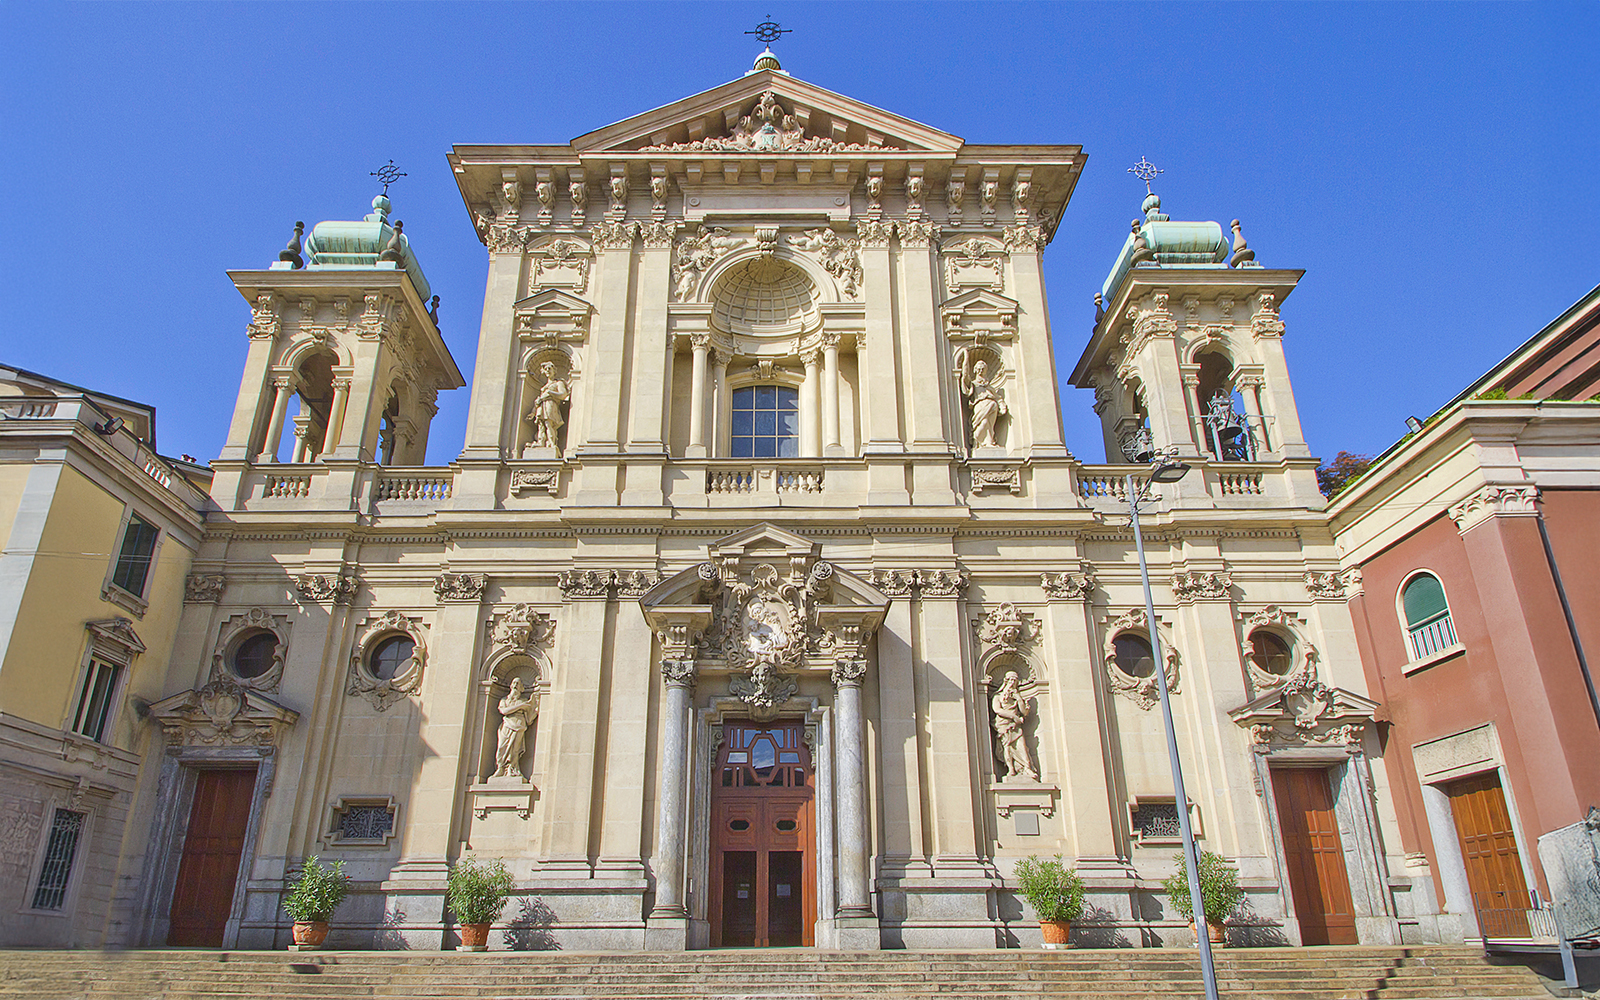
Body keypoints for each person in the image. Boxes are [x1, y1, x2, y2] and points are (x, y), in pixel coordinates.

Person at [991, 671, 1038, 781]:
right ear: (1006, 681)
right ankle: (1011, 769)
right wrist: (1013, 717)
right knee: (1007, 748)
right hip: (1003, 725)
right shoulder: (997, 696)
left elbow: (1024, 712)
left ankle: (1027, 767)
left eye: (1015, 680)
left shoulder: (1017, 697)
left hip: (1015, 727)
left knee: (1021, 746)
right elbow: (997, 710)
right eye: (1011, 680)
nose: (1012, 683)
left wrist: (1018, 698)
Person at [493, 677, 538, 779]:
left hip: (519, 725)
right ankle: (501, 767)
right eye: (513, 683)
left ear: (521, 688)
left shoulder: (523, 701)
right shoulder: (504, 700)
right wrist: (520, 706)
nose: (515, 685)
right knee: (502, 747)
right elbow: (504, 711)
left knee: (515, 750)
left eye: (517, 684)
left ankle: (512, 768)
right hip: (507, 725)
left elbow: (529, 716)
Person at [963, 359, 1007, 449]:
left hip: (992, 406)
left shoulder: (989, 386)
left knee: (990, 426)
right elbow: (965, 376)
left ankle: (989, 442)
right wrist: (966, 358)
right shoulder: (973, 384)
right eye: (979, 369)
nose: (981, 371)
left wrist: (1002, 406)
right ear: (975, 370)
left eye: (983, 369)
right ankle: (979, 442)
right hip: (980, 406)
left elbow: (997, 397)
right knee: (984, 423)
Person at [528, 362, 570, 451]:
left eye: (549, 368)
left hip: (551, 404)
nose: (547, 370)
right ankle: (541, 442)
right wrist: (533, 411)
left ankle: (551, 442)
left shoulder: (558, 383)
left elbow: (563, 394)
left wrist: (550, 393)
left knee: (549, 423)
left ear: (554, 371)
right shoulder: (545, 386)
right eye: (546, 369)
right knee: (541, 424)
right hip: (542, 405)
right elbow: (539, 399)